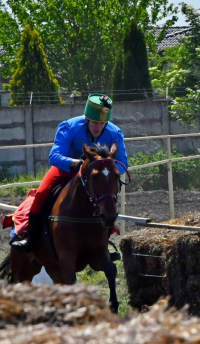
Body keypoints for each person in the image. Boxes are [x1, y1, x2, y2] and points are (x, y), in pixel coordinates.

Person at [10, 93, 128, 250]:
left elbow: (123, 162)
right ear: (87, 120)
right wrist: (77, 163)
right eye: (95, 123)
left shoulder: (115, 132)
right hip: (66, 171)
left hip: (96, 177)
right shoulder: (69, 127)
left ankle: (106, 240)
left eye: (102, 123)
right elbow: (54, 157)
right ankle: (29, 235)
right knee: (41, 193)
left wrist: (108, 173)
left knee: (108, 199)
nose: (98, 127)